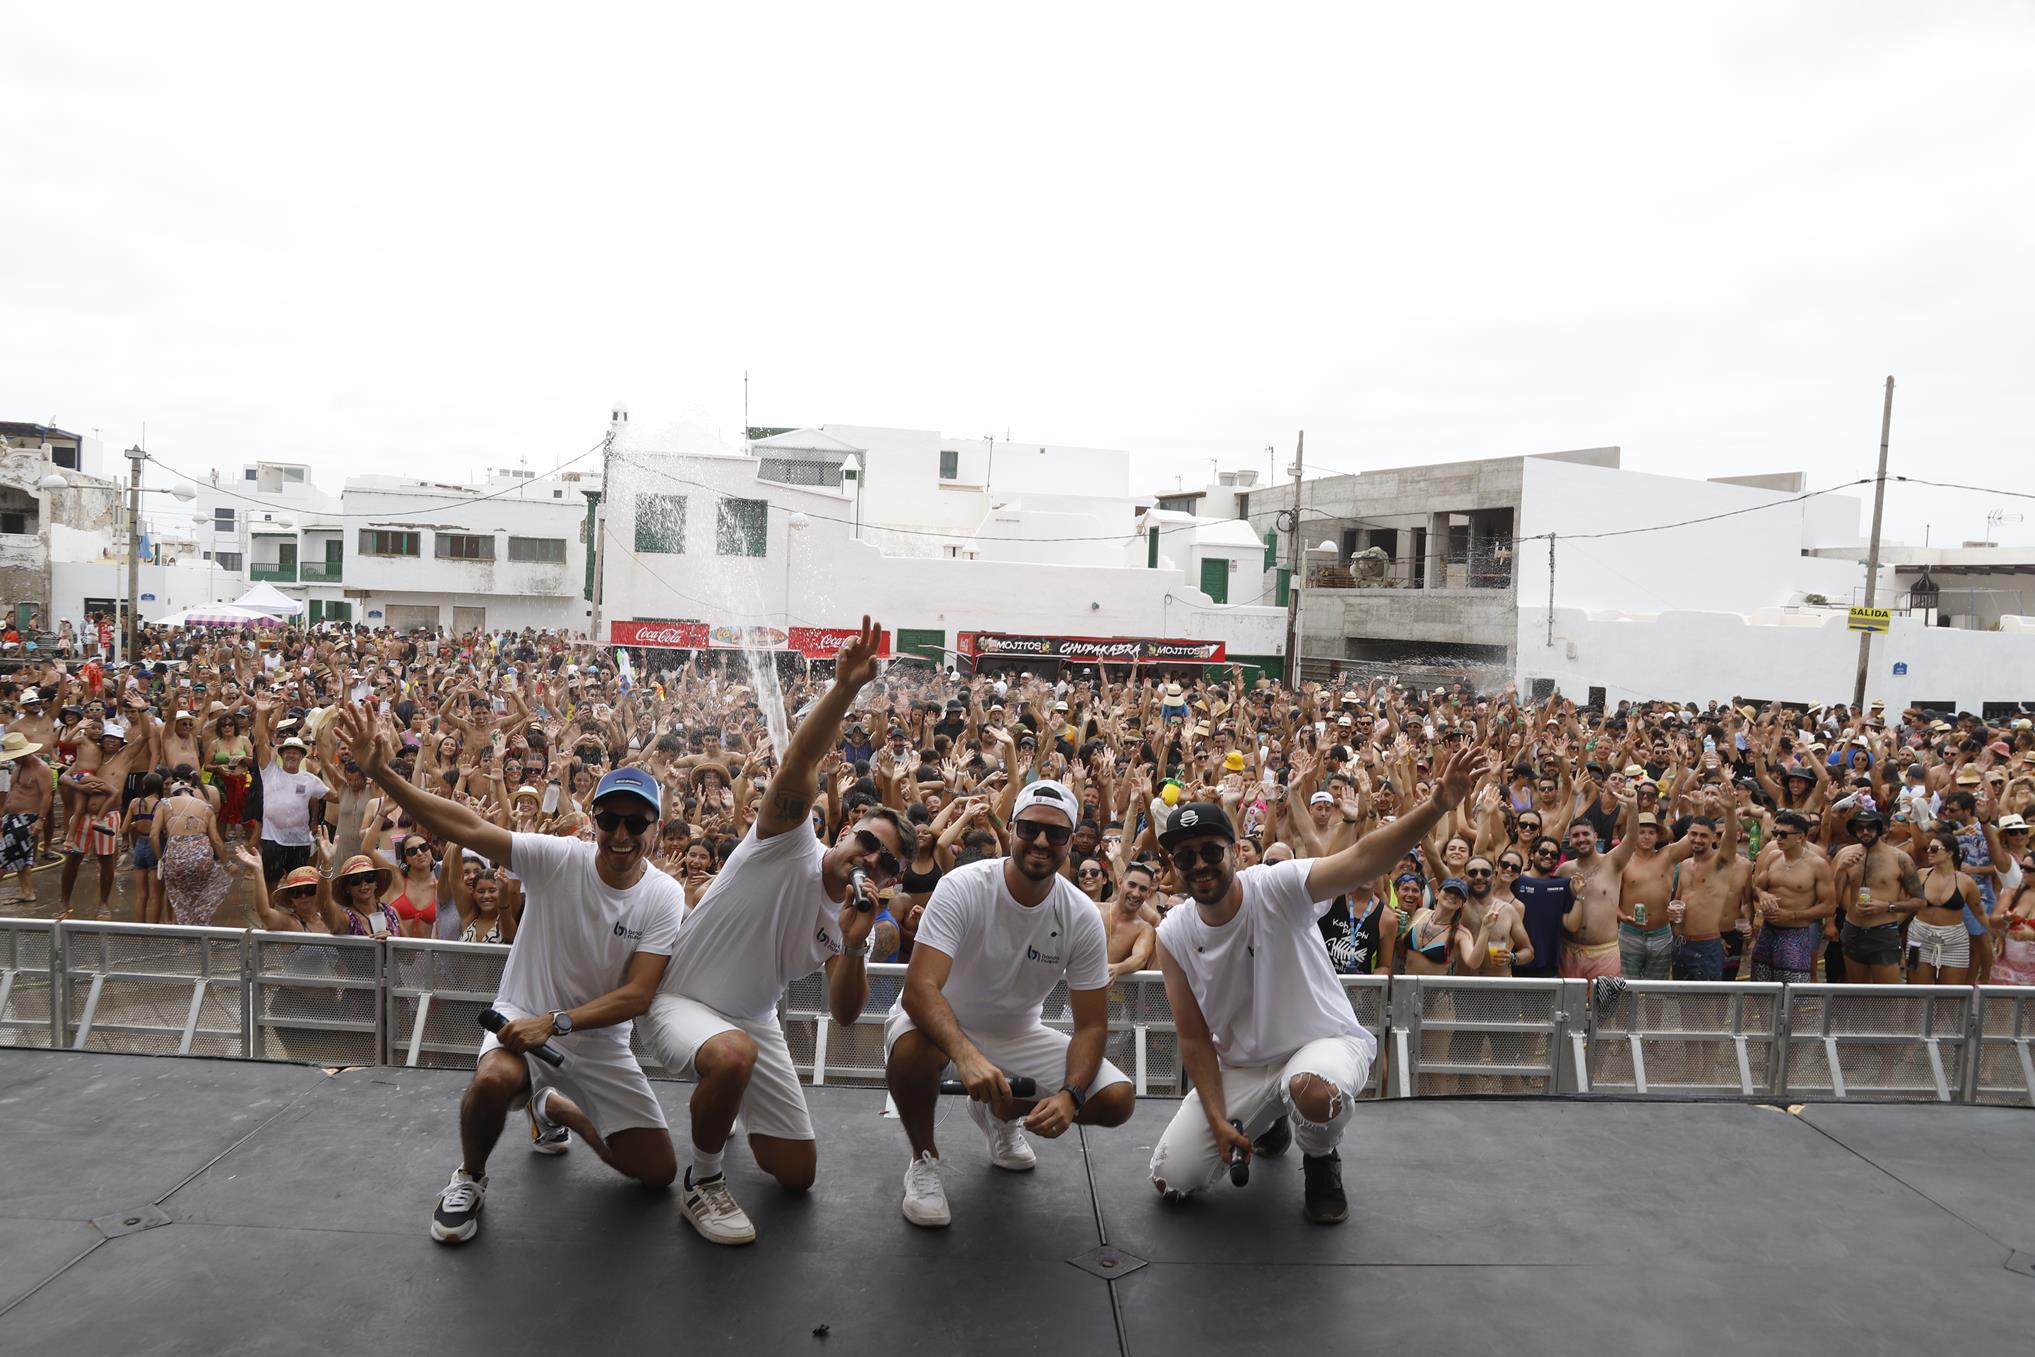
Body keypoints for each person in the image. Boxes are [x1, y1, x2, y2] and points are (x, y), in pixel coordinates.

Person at [335, 702, 682, 1246]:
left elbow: (639, 994)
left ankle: (553, 1107)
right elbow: (465, 825)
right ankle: (469, 1176)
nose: (622, 833)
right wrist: (382, 773)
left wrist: (557, 1023)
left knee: (658, 1173)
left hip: (598, 1042)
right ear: (592, 821)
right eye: (610, 820)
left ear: (655, 828)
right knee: (493, 1080)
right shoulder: (558, 858)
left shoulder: (664, 894)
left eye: (636, 822)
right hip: (520, 1019)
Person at [1148, 744, 1490, 1223]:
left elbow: (1363, 858)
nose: (1199, 864)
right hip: (1245, 1065)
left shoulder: (1277, 885)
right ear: (1174, 866)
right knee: (1171, 1178)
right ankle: (1271, 1123)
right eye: (1186, 857)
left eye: (1210, 851)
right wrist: (1219, 1119)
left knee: (1311, 1091)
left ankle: (1320, 1157)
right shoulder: (1173, 934)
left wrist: (1436, 805)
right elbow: (1192, 1038)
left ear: (1234, 851)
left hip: (1322, 1045)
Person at [644, 617, 902, 1246]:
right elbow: (801, 760)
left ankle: (723, 1098)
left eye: (885, 863)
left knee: (797, 1175)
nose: (869, 859)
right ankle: (703, 1180)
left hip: (753, 1021)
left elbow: (845, 1015)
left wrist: (854, 943)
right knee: (730, 1057)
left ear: (891, 881)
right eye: (867, 841)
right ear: (847, 831)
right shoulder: (787, 841)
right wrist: (845, 688)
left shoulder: (856, 917)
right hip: (680, 1001)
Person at [886, 778, 1136, 1229]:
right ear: (1011, 828)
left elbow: (1092, 1027)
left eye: (1056, 833)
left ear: (1070, 841)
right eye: (1030, 828)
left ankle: (1002, 1112)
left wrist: (1071, 1096)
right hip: (938, 1022)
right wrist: (966, 1056)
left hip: (1018, 1033)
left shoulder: (1081, 915)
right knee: (912, 1052)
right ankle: (923, 1159)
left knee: (1116, 1099)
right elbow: (919, 989)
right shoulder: (963, 885)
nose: (1041, 841)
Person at [1830, 809, 1926, 985]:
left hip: (1883, 931)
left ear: (1880, 829)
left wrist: (1886, 906)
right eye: (1860, 828)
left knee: (1886, 994)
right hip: (1852, 929)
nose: (1865, 832)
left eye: (1870, 827)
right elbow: (1832, 897)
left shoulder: (1900, 858)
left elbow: (1919, 902)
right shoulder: (1845, 855)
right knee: (1857, 991)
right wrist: (1841, 870)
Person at [252, 693, 331, 888]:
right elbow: (261, 740)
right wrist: (262, 713)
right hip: (272, 840)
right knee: (270, 884)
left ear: (302, 756)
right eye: (287, 752)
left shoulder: (310, 779)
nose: (291, 755)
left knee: (301, 885)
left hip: (300, 842)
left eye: (296, 752)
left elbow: (334, 797)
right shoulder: (270, 771)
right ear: (281, 754)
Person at [1750, 810, 1834, 983]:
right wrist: (1763, 895)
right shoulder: (1773, 857)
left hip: (1796, 933)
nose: (1778, 838)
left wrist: (1792, 915)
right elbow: (1756, 888)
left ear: (1800, 837)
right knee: (1761, 986)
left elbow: (1829, 907)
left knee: (1793, 988)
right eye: (1775, 833)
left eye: (1784, 834)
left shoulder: (1817, 865)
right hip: (1768, 930)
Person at [1, 730, 53, 903]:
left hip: (27, 818)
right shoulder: (17, 766)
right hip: (12, 816)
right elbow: (13, 791)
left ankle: (28, 892)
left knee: (3, 856)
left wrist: (41, 820)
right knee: (23, 858)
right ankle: (27, 892)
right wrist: (3, 814)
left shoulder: (41, 768)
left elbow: (47, 795)